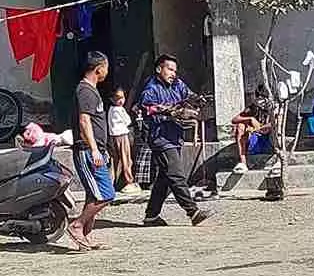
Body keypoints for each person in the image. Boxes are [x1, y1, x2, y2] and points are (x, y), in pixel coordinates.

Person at [139, 54, 213, 227]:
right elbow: (149, 108)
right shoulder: (150, 89)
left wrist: (198, 100)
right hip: (160, 138)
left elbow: (189, 95)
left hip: (175, 136)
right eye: (169, 69)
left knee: (165, 178)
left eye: (175, 70)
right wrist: (171, 111)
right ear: (159, 69)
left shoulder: (178, 84)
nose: (173, 73)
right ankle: (193, 211)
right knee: (176, 175)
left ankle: (151, 216)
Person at [67, 51, 115, 250]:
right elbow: (84, 121)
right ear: (99, 69)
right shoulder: (85, 91)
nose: (107, 71)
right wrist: (94, 150)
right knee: (106, 194)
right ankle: (77, 225)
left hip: (96, 149)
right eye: (106, 67)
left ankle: (86, 237)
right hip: (87, 150)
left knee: (92, 195)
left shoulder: (91, 91)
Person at [231, 84, 274, 174]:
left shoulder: (275, 107)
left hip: (270, 140)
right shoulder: (253, 107)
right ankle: (243, 163)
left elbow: (274, 124)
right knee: (240, 126)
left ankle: (277, 161)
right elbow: (235, 119)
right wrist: (250, 119)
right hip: (255, 139)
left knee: (275, 127)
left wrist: (257, 128)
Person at [107, 88, 140, 194]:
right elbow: (128, 120)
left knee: (117, 159)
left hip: (114, 135)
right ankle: (128, 181)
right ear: (112, 99)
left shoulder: (111, 110)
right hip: (121, 135)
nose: (121, 100)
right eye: (118, 98)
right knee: (126, 158)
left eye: (122, 97)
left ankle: (115, 181)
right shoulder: (119, 110)